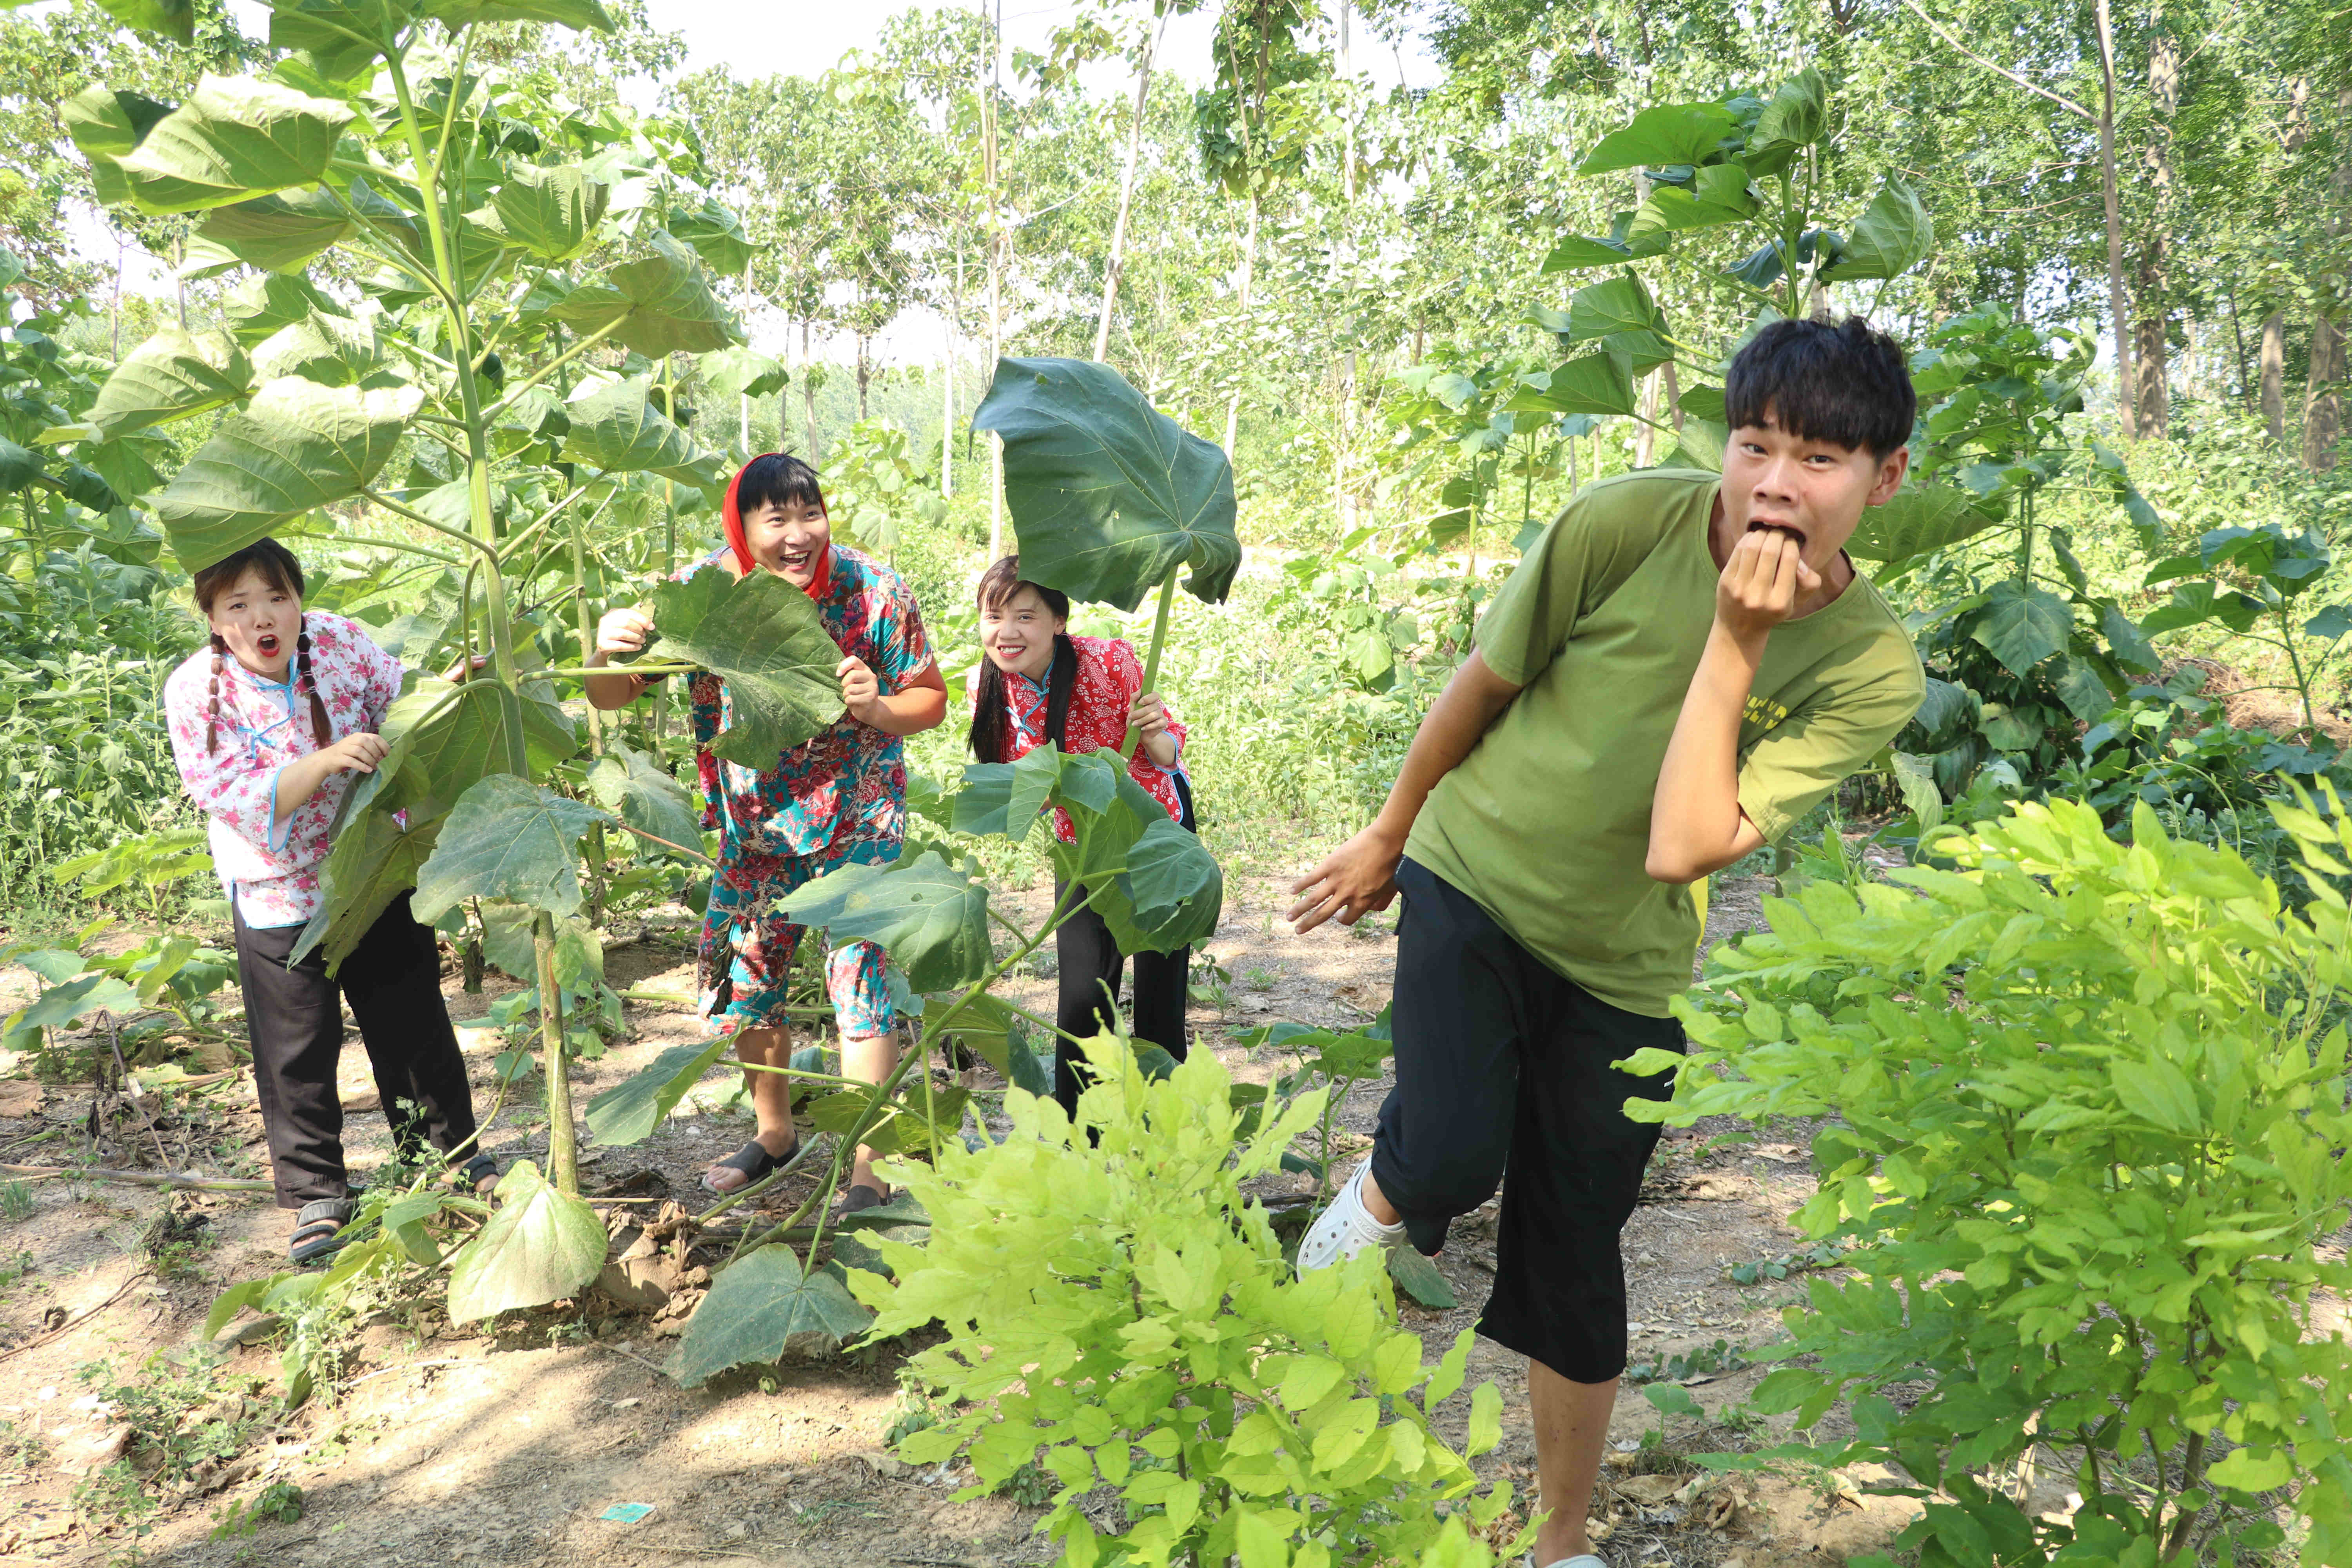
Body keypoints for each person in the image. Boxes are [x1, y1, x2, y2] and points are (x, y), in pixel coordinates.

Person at [1285, 316, 1927, 1568]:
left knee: (1577, 1256)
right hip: (1474, 871)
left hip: (1628, 963)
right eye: (1756, 446)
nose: (1776, 487)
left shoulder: (1872, 667)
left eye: (1820, 460)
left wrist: (1738, 643)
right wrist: (1387, 831)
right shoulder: (1625, 522)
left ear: (1884, 478)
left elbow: (1681, 848)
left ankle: (1561, 1542)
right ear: (1728, 444)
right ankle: (1358, 1216)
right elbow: (1486, 681)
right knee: (1453, 1154)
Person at [587, 454, 946, 1216]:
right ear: (741, 529)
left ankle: (870, 1167)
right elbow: (612, 693)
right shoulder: (702, 597)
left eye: (808, 513)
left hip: (860, 817)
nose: (797, 535)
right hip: (756, 828)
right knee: (750, 979)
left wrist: (880, 707)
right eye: (775, 519)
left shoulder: (871, 589)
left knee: (863, 982)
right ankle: (774, 1132)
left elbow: (931, 697)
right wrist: (606, 650)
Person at [164, 539, 495, 1265]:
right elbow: (229, 796)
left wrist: (447, 686)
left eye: (277, 597)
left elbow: (397, 705)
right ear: (215, 619)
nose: (262, 619)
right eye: (239, 605)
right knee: (296, 1052)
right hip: (276, 886)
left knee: (411, 1022)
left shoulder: (339, 640)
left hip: (368, 866)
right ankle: (318, 1193)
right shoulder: (196, 693)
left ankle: (450, 1156)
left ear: (299, 599)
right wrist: (321, 761)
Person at [967, 557, 1194, 1114]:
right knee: (1081, 1005)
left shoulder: (1109, 660)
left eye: (1026, 616)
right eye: (994, 617)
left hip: (1155, 832)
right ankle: (1079, 1140)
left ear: (1059, 622)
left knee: (1161, 1001)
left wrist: (1157, 733)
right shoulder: (988, 684)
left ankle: (1166, 1133)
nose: (1008, 632)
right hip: (1083, 843)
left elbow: (1165, 757)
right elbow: (1024, 795)